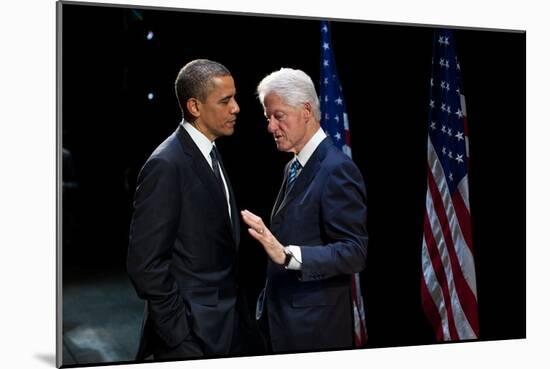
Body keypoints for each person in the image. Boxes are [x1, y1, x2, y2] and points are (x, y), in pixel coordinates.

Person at [241, 68, 368, 353]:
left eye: (278, 116)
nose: (270, 127)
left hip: (316, 331)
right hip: (285, 322)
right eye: (267, 118)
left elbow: (354, 252)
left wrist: (289, 255)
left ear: (307, 110)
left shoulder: (337, 169)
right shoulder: (292, 167)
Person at [127, 59, 244, 360]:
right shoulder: (166, 164)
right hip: (191, 337)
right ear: (194, 106)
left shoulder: (209, 153)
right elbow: (145, 265)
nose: (236, 108)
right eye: (225, 100)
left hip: (224, 327)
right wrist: (180, 338)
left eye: (234, 98)